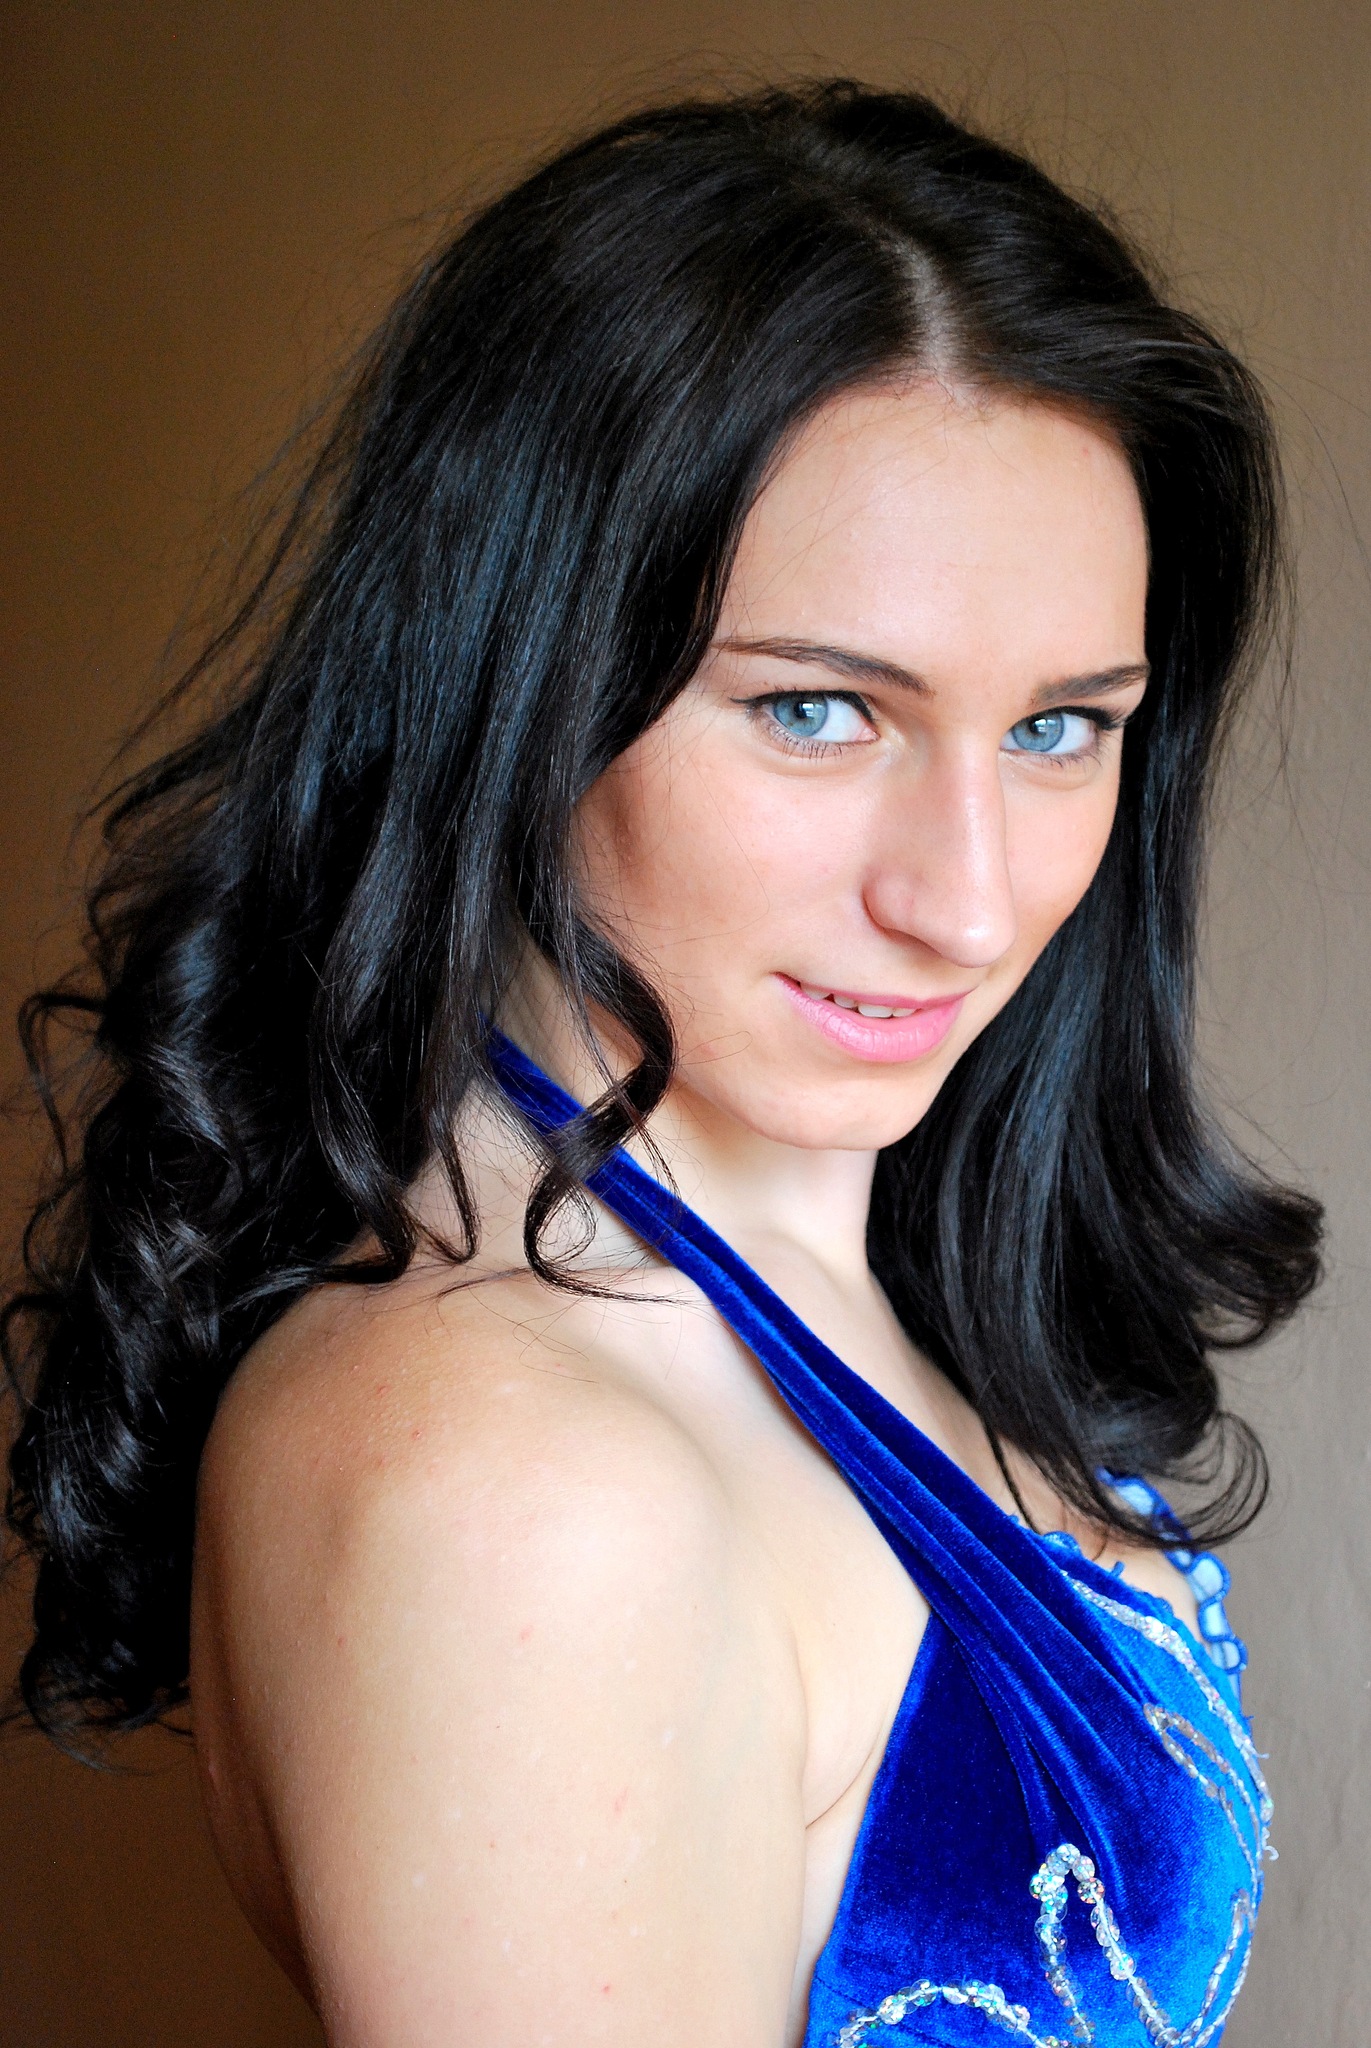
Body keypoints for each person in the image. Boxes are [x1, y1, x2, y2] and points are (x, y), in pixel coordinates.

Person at [4, 81, 1322, 2047]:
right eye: (817, 710)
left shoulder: (819, 1253)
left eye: (1060, 729)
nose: (969, 902)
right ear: (516, 683)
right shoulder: (515, 1488)